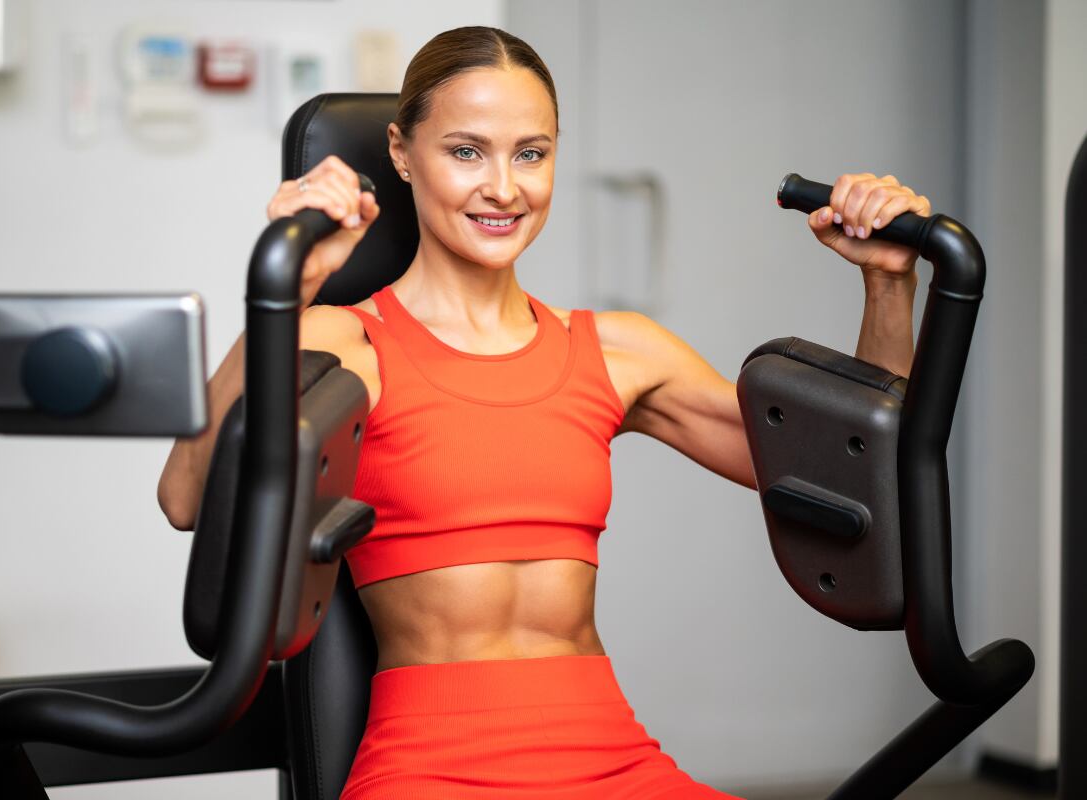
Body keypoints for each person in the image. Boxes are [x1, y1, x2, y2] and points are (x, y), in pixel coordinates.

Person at [158, 26, 927, 800]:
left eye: (531, 152)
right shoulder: (348, 342)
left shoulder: (619, 351)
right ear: (400, 153)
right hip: (431, 764)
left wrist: (889, 285)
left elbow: (858, 483)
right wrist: (282, 292)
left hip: (611, 756)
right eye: (466, 152)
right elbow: (185, 495)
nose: (504, 188)